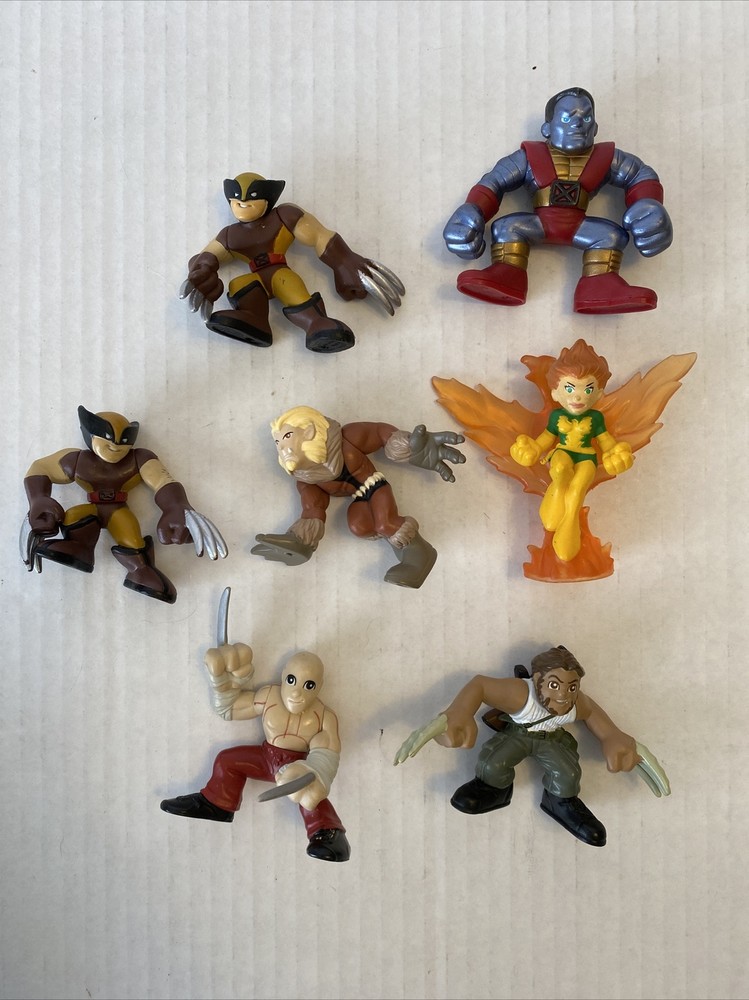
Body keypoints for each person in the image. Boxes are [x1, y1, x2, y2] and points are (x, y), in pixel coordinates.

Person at [394, 646, 663, 847]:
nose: (563, 695)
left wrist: (612, 736)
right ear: (537, 680)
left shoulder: (576, 702)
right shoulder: (521, 694)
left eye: (572, 687)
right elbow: (480, 685)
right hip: (519, 734)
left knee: (568, 774)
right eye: (554, 685)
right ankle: (494, 788)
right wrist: (460, 711)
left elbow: (592, 714)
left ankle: (561, 802)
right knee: (493, 762)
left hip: (552, 740)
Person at [443, 87, 673, 313]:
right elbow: (494, 182)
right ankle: (507, 275)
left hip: (582, 227)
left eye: (586, 118)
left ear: (595, 128)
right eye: (566, 118)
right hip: (536, 225)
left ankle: (599, 286)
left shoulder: (609, 158)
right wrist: (473, 209)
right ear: (547, 128)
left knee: (612, 236)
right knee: (505, 227)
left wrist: (650, 205)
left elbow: (640, 175)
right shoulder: (527, 158)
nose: (577, 124)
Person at [160, 642, 351, 863]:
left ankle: (329, 833)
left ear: (319, 686)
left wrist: (316, 772)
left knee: (311, 794)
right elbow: (231, 709)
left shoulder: (324, 716)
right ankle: (217, 804)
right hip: (265, 758)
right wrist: (224, 689)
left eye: (309, 685)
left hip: (297, 767)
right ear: (283, 676)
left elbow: (328, 750)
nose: (297, 692)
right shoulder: (269, 696)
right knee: (227, 760)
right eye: (292, 680)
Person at [21, 405, 226, 603]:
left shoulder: (138, 458)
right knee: (74, 516)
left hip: (118, 510)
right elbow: (40, 468)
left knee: (131, 538)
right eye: (107, 437)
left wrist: (175, 505)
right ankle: (77, 547)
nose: (115, 445)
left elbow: (163, 481)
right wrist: (38, 498)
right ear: (89, 434)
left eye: (124, 439)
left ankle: (141, 571)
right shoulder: (77, 459)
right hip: (91, 509)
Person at [181, 172, 404, 352]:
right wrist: (201, 272)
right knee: (238, 284)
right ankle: (253, 321)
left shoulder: (283, 216)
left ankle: (316, 324)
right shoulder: (230, 235)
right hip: (256, 277)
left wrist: (343, 260)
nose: (243, 204)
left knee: (288, 283)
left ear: (267, 199)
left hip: (278, 270)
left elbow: (318, 235)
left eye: (252, 198)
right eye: (237, 199)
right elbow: (207, 255)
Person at [251, 405, 465, 588]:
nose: (282, 447)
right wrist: (300, 541)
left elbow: (379, 433)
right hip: (359, 498)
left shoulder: (346, 438)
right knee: (359, 526)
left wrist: (411, 447)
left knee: (385, 523)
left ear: (308, 431)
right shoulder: (306, 479)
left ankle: (420, 556)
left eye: (287, 437)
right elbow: (313, 508)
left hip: (373, 486)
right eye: (277, 442)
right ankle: (402, 548)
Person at [510, 339, 633, 561]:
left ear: (599, 394)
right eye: (569, 388)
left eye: (588, 389)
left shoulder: (596, 418)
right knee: (560, 471)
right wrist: (534, 448)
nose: (577, 396)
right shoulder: (557, 416)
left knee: (577, 492)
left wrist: (614, 453)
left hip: (586, 457)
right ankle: (558, 489)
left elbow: (605, 440)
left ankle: (567, 530)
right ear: (555, 394)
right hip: (563, 452)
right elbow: (547, 438)